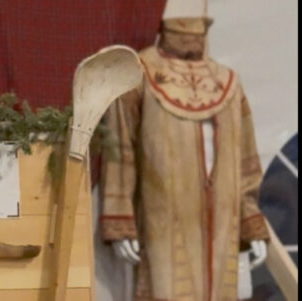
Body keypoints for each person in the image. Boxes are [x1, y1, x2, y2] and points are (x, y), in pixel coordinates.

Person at [99, 17, 269, 301]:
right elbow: (120, 151)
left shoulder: (227, 82)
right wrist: (120, 216)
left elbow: (246, 159)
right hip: (163, 216)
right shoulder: (141, 73)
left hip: (223, 222)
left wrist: (250, 220)